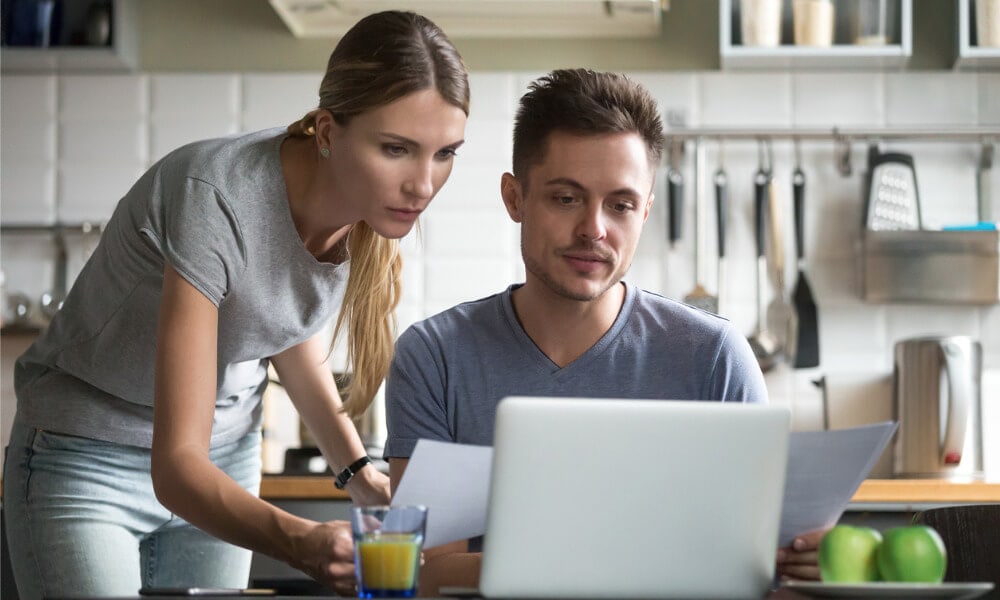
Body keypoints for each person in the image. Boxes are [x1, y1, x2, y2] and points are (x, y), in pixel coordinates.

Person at [3, 10, 469, 600]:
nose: (423, 185)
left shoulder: (365, 209)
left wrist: (358, 475)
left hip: (224, 462)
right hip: (86, 458)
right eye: (397, 148)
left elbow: (282, 327)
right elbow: (176, 467)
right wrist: (301, 541)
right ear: (328, 133)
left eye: (445, 153)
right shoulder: (215, 196)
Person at [383, 68, 822, 596]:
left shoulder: (714, 357)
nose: (594, 228)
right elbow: (423, 575)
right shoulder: (436, 356)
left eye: (621, 205)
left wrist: (802, 562)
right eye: (566, 198)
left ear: (646, 211)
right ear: (515, 198)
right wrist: (622, 563)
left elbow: (755, 572)